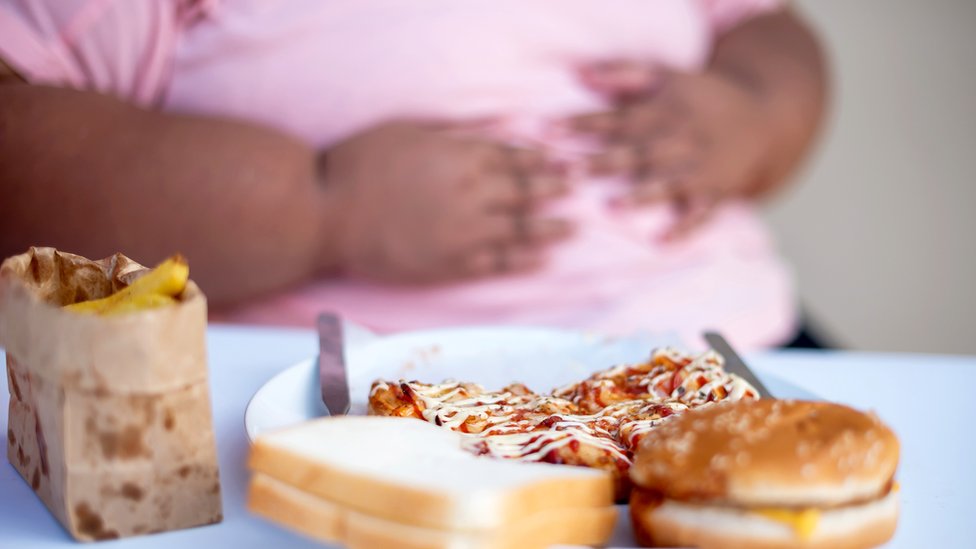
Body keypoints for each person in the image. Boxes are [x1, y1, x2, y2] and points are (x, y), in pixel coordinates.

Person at [0, 0, 826, 350]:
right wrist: (323, 209)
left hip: (713, 345)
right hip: (319, 411)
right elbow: (18, 155)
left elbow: (768, 28)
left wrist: (753, 111)